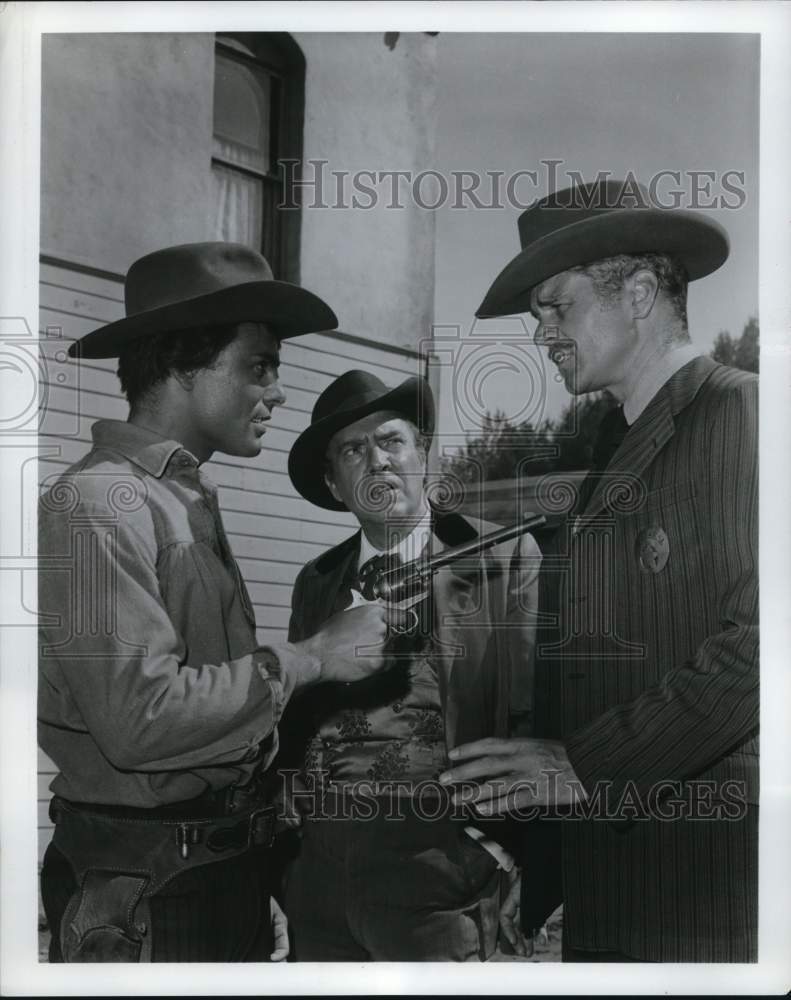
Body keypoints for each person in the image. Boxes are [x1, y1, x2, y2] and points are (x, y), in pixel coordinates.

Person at [38, 242, 393, 963]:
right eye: (259, 366)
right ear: (180, 363)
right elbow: (140, 721)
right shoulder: (99, 504)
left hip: (210, 874)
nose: (278, 391)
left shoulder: (180, 496)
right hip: (147, 895)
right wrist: (312, 657)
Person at [440, 179, 758, 962]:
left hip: (707, 886)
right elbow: (576, 685)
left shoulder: (740, 414)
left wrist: (587, 766)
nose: (542, 335)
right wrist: (545, 866)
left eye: (558, 306)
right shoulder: (608, 458)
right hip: (611, 883)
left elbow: (764, 646)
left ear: (641, 293)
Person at [276, 369, 542, 960]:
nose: (377, 462)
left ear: (425, 456)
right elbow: (294, 725)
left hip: (446, 871)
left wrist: (516, 853)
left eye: (392, 440)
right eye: (352, 450)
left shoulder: (502, 556)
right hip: (321, 879)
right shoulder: (315, 581)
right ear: (334, 482)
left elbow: (533, 713)